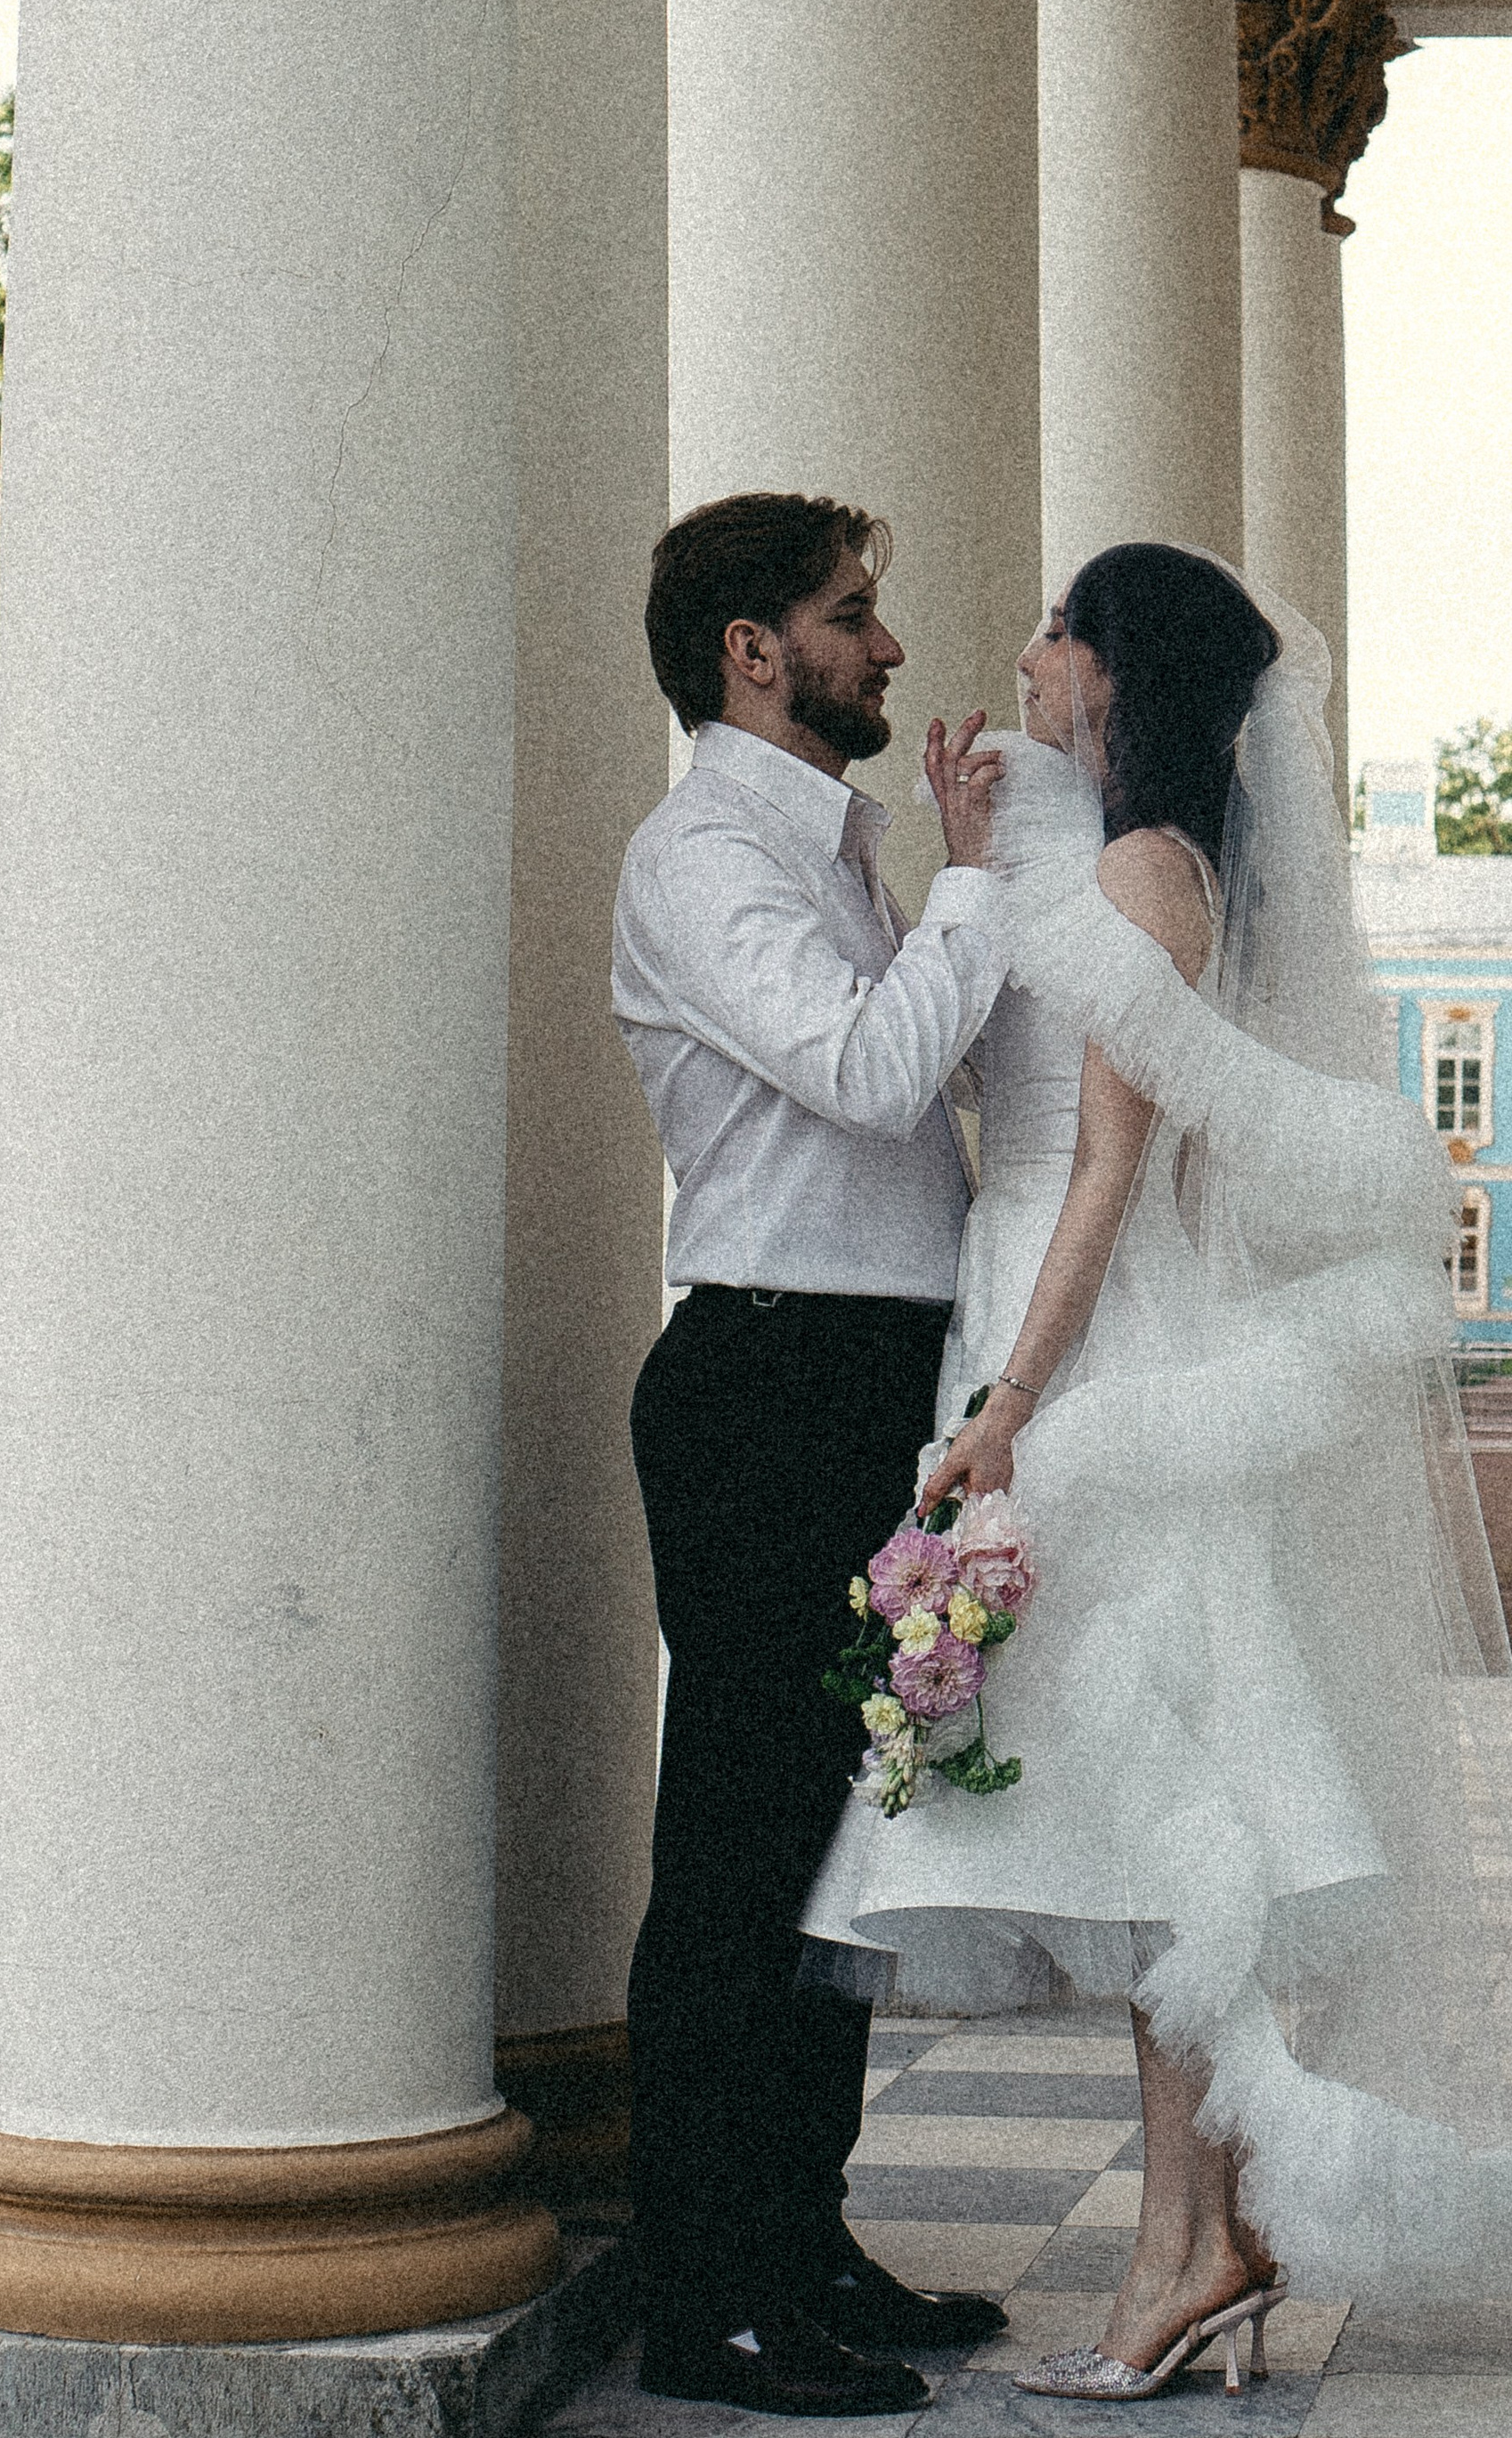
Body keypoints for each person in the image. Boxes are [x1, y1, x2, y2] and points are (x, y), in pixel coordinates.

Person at [804, 542, 1512, 2399]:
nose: (1025, 656)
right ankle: (1204, 2239)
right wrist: (961, 871)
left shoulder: (1135, 875)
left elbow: (1108, 1177)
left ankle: (1186, 2252)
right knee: (1156, 1837)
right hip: (1051, 1310)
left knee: (1169, 1830)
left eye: (1056, 634)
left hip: (1100, 1343)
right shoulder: (1115, 864)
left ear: (1117, 678)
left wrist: (1010, 1408)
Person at [612, 490, 1019, 2416]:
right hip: (765, 1384)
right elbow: (868, 1074)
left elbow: (914, 1067)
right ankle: (703, 2298)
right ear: (749, 652)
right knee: (739, 1849)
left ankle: (802, 2236)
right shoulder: (700, 859)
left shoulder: (831, 850)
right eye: (855, 615)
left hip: (864, 1386)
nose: (889, 647)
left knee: (836, 1842)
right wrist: (971, 885)